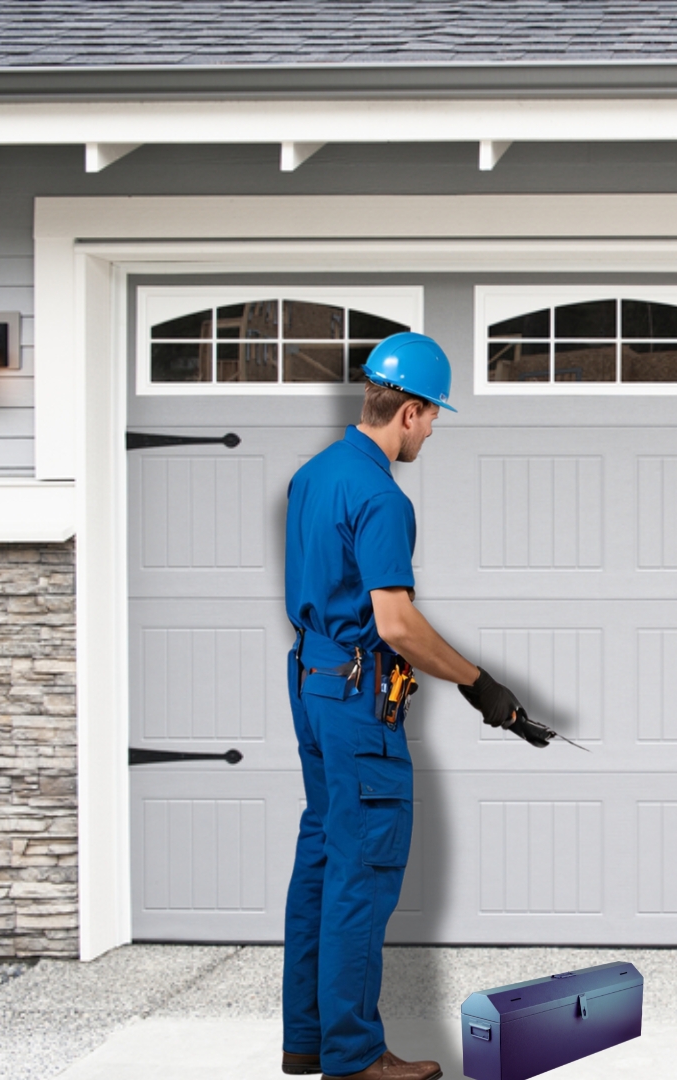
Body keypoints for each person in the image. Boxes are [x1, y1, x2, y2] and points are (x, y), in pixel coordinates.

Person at [281, 332, 526, 1080]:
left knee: (321, 862)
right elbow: (394, 624)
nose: (433, 430)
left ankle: (307, 1039)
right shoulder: (382, 494)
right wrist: (478, 682)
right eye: (433, 416)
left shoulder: (312, 476)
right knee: (362, 875)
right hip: (358, 703)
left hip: (313, 682)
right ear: (410, 411)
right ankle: (353, 1059)